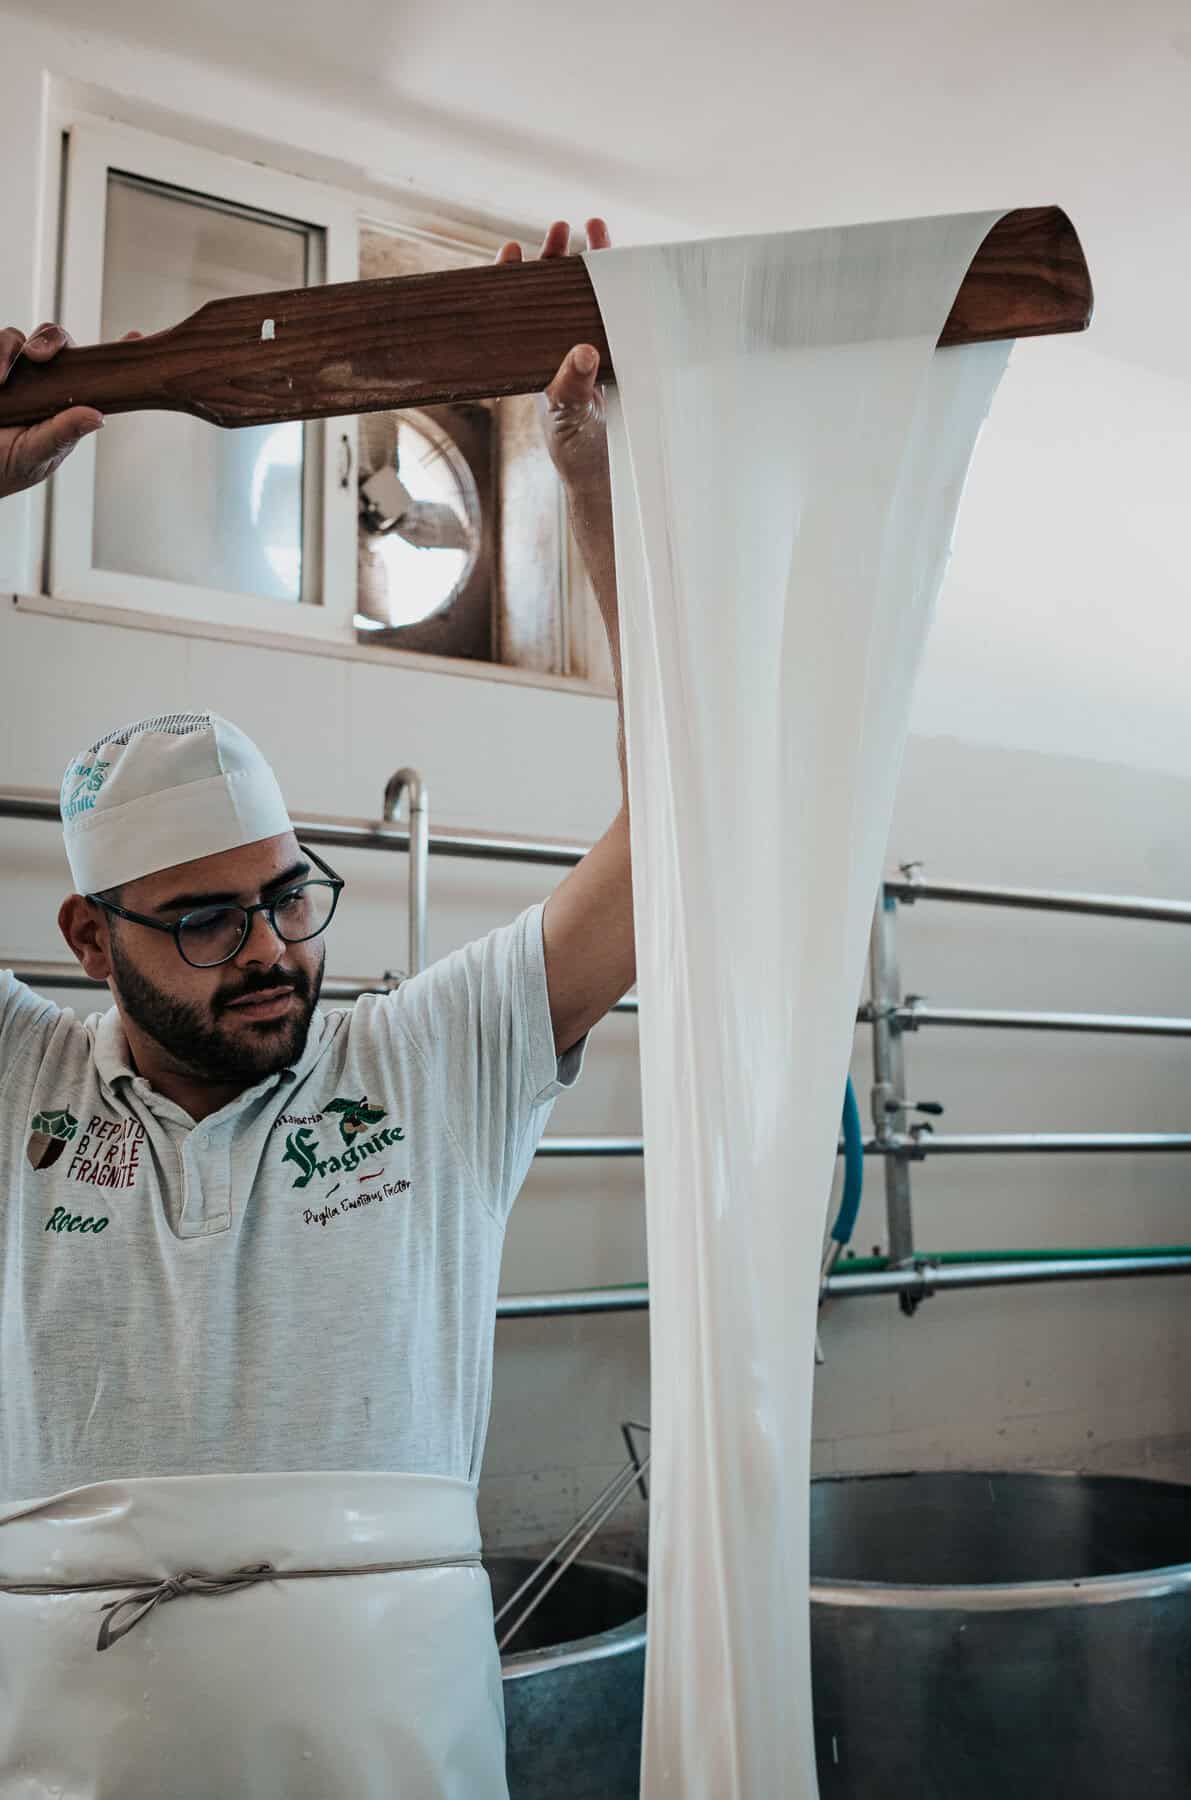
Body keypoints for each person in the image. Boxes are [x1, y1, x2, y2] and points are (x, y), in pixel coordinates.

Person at [0, 219, 634, 1795]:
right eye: (208, 921)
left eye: (290, 897)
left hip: (389, 1735)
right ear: (90, 937)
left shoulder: (428, 1060)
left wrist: (604, 503)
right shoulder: (24, 1088)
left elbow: (685, 827)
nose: (275, 949)